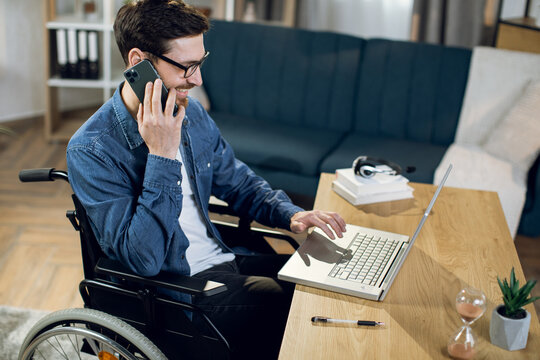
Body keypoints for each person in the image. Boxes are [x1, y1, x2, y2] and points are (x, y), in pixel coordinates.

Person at [66, 0, 346, 358]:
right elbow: (144, 260)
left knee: (321, 282)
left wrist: (290, 214)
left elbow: (237, 180)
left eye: (200, 63)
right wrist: (162, 154)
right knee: (289, 302)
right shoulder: (92, 150)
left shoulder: (191, 113)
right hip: (171, 292)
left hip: (222, 260)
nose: (197, 79)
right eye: (187, 67)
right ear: (138, 63)